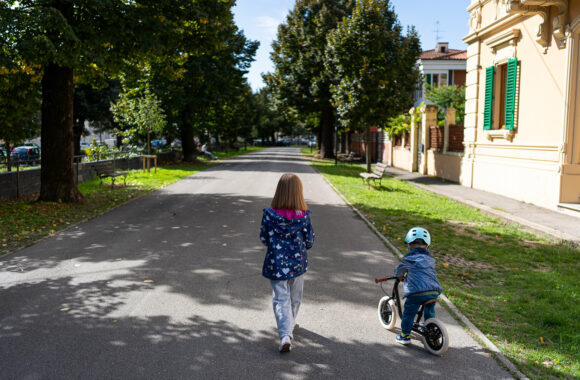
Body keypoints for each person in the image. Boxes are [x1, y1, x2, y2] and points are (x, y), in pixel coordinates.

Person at [260, 173, 315, 352]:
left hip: (276, 264)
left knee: (280, 298)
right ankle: (288, 326)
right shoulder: (303, 216)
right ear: (298, 192)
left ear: (279, 192)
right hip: (298, 264)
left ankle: (285, 333)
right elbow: (309, 242)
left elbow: (263, 238)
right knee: (295, 296)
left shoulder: (269, 214)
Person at [394, 227, 442, 345]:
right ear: (427, 246)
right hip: (433, 291)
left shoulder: (408, 258)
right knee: (429, 312)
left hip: (416, 292)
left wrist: (399, 275)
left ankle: (405, 335)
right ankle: (431, 330)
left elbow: (400, 271)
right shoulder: (431, 260)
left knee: (409, 313)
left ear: (409, 245)